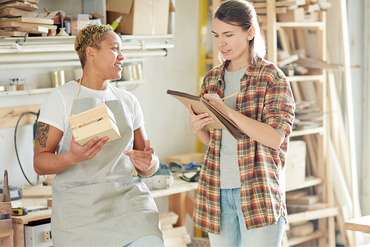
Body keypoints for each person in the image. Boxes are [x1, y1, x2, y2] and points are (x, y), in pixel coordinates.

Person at [33, 24, 164, 247]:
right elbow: (39, 162)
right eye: (115, 49)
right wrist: (71, 157)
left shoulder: (128, 100)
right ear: (91, 53)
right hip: (79, 210)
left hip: (128, 202)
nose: (122, 57)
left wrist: (151, 163)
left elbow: (148, 164)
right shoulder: (61, 98)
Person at [187, 1, 295, 246]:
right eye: (216, 35)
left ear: (250, 32)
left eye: (228, 34)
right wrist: (198, 130)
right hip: (217, 191)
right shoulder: (212, 79)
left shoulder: (271, 78)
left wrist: (227, 111)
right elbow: (217, 142)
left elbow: (275, 138)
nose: (221, 43)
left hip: (257, 192)